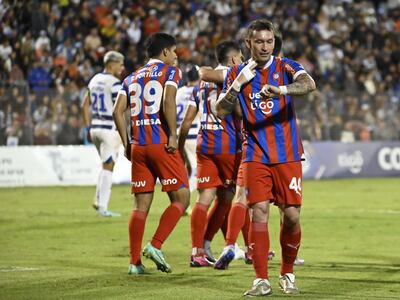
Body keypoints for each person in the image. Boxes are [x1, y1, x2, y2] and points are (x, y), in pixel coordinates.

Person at [216, 19, 316, 296]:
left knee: (292, 216)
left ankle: (287, 273)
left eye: (269, 41)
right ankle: (261, 279)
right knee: (257, 212)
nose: (264, 46)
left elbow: (309, 84)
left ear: (274, 42)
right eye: (259, 41)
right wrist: (237, 84)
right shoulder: (237, 72)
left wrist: (282, 89)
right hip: (254, 154)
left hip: (287, 155)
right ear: (248, 43)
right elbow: (220, 109)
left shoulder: (286, 66)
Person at [113, 32, 190, 275]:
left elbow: (118, 112)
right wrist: (174, 136)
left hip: (138, 146)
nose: (176, 56)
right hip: (161, 143)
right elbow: (168, 100)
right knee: (182, 199)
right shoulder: (170, 72)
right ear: (165, 52)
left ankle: (134, 263)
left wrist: (127, 143)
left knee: (140, 206)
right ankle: (155, 245)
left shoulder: (131, 77)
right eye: (174, 51)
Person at [178, 40, 242, 267]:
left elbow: (186, 123)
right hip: (226, 144)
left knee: (203, 199)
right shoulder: (236, 78)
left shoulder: (199, 88)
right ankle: (211, 242)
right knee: (227, 199)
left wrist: (179, 150)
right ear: (234, 59)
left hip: (203, 143)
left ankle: (197, 252)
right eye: (241, 58)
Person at [82, 50, 125, 217]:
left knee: (105, 164)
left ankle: (98, 199)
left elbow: (85, 105)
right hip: (109, 130)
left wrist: (87, 127)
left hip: (95, 128)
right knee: (109, 166)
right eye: (120, 64)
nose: (122, 68)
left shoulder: (94, 80)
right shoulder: (114, 83)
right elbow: (120, 109)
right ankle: (103, 207)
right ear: (111, 64)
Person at [176, 66, 201, 193]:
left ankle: (182, 193)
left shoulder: (179, 91)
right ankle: (184, 198)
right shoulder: (199, 91)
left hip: (178, 134)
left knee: (187, 168)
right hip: (193, 133)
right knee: (197, 168)